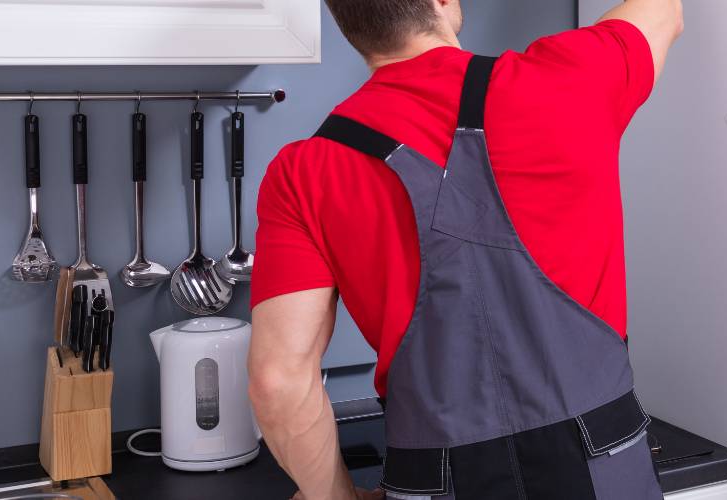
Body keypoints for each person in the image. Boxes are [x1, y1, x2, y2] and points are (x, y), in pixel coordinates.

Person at [247, 0, 682, 498]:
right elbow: (663, 10)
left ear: (345, 21)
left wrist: (337, 498)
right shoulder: (567, 76)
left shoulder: (303, 172)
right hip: (601, 460)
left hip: (434, 479)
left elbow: (279, 381)